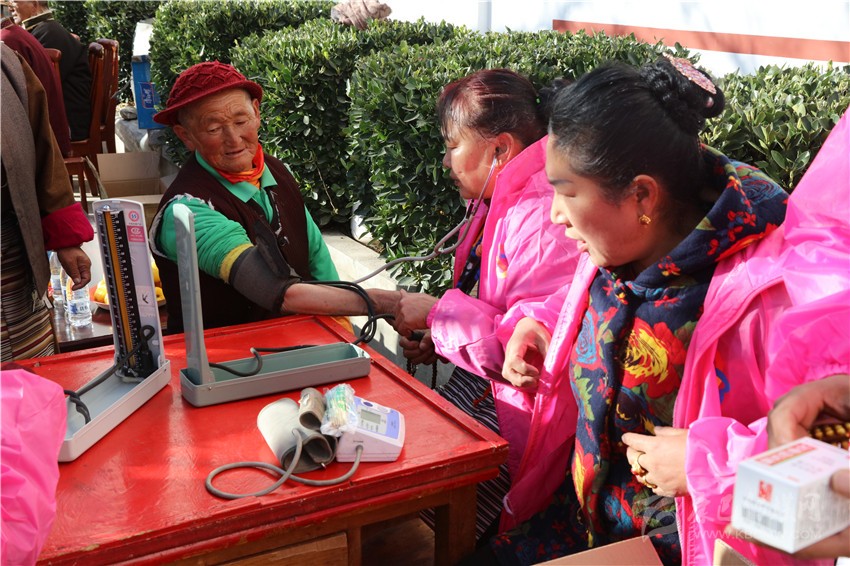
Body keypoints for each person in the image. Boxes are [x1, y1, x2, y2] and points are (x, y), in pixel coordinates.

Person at [492, 59, 848, 565]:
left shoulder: (777, 296)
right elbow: (594, 302)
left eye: (565, 192)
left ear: (641, 196)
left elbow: (830, 488)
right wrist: (543, 323)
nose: (554, 214)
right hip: (580, 526)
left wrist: (704, 465)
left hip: (688, 547)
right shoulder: (617, 245)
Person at [390, 69, 581, 539]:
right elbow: (504, 311)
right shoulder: (509, 196)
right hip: (493, 394)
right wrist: (440, 337)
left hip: (518, 414)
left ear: (500, 149)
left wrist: (437, 316)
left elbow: (530, 353)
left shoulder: (540, 216)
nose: (445, 160)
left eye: (453, 145)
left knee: (427, 527)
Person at [149, 61, 397, 333]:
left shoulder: (275, 170)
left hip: (301, 340)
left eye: (241, 121)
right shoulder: (186, 210)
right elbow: (274, 289)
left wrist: (342, 330)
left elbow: (316, 256)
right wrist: (385, 303)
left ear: (256, 113)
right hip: (226, 354)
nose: (234, 139)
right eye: (214, 129)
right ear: (186, 136)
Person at [1, 43, 93, 361]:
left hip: (12, 261)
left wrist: (66, 240)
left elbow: (44, 149)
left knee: (31, 374)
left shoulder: (6, 64)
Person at [12, 0, 91, 141]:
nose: (10, 6)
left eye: (15, 0)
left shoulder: (48, 33)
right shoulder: (46, 29)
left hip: (68, 126)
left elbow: (34, 88)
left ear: (34, 4)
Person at [1, 0, 71, 155]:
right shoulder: (17, 33)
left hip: (49, 139)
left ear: (34, 4)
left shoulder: (8, 40)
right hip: (50, 129)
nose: (11, 7)